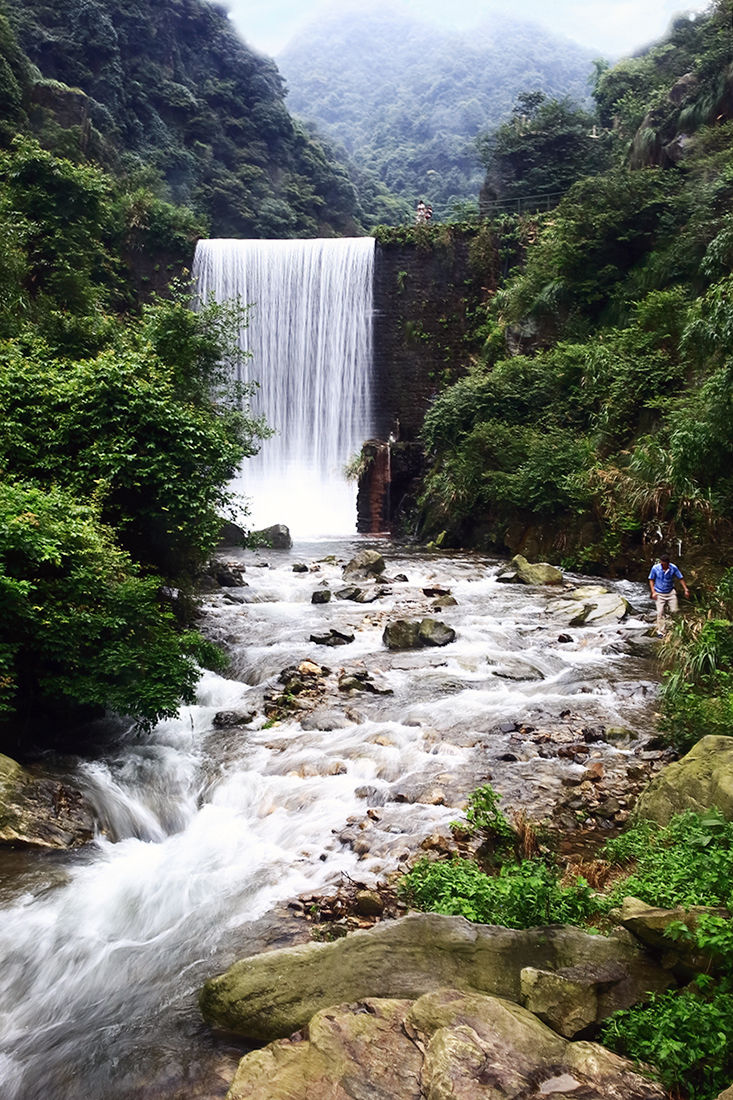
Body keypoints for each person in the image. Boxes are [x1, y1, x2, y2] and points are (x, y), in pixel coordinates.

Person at [648, 554, 690, 635]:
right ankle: (661, 632)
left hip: (670, 592)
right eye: (661, 563)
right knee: (660, 613)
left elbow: (680, 578)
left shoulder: (673, 568)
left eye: (664, 564)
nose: (662, 565)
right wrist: (653, 592)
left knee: (675, 611)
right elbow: (651, 579)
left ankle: (675, 628)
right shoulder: (655, 568)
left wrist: (686, 589)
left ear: (668, 563)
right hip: (659, 593)